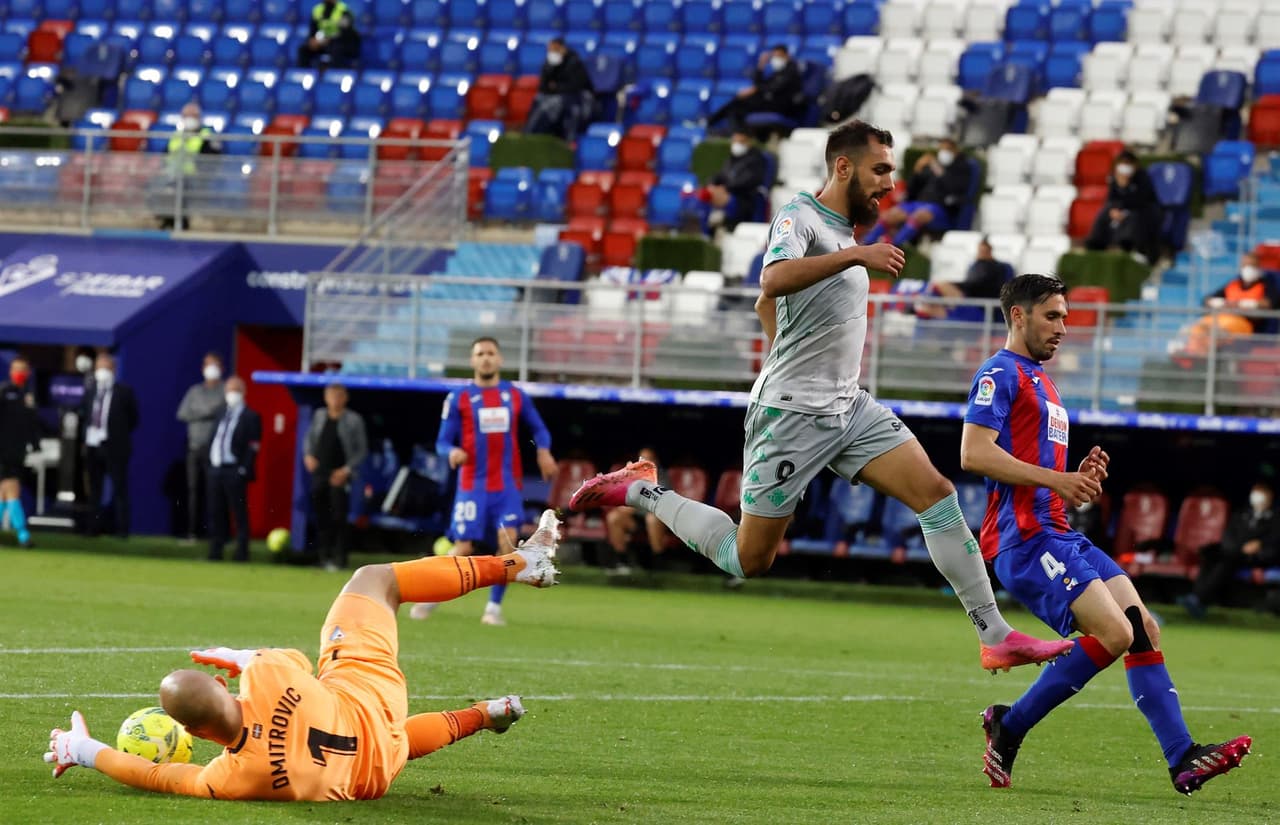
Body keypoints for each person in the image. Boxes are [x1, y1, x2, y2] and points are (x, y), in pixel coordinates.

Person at [568, 120, 1073, 673]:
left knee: (937, 494)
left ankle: (993, 634)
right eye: (880, 170)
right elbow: (772, 281)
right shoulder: (801, 217)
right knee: (748, 558)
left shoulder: (847, 231)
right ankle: (645, 492)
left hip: (848, 406)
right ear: (843, 167)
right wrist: (854, 260)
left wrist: (806, 339)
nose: (888, 184)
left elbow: (776, 316)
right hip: (789, 415)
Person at [959, 273, 1251, 794]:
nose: (1063, 327)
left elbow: (1035, 462)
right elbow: (973, 453)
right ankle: (1011, 724)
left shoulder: (1043, 382)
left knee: (1143, 628)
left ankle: (1182, 757)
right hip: (1023, 540)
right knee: (1114, 634)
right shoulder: (998, 373)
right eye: (1053, 316)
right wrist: (1057, 479)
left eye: (1067, 317)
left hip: (1059, 533)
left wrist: (1080, 475)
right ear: (1018, 316)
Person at [42, 511, 563, 800]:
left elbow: (153, 776)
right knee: (373, 580)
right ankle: (519, 564)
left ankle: (483, 715)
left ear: (196, 736)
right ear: (222, 684)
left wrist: (80, 748)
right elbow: (288, 659)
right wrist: (246, 657)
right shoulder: (266, 677)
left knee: (390, 740)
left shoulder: (230, 779)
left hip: (372, 772)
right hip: (368, 688)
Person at [410, 337, 558, 626]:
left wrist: (543, 450)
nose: (486, 358)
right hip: (472, 487)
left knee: (508, 544)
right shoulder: (459, 398)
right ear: (472, 361)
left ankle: (493, 608)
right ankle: (432, 595)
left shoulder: (514, 395)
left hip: (506, 486)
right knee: (463, 547)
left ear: (500, 359)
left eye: (491, 353)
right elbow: (442, 441)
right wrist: (451, 451)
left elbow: (539, 429)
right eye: (480, 354)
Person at [1178, 480, 1278, 619]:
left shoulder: (1276, 517)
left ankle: (1198, 599)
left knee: (1228, 560)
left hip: (1260, 556)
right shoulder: (1241, 514)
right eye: (1256, 493)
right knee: (1209, 554)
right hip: (1235, 552)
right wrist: (1235, 548)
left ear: (1270, 497)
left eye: (1262, 494)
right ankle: (1199, 599)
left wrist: (1260, 543)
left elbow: (1275, 538)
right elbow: (1229, 534)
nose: (1258, 497)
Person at [304, 384, 368, 572]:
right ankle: (323, 556)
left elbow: (361, 450)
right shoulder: (319, 415)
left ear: (345, 398)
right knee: (321, 516)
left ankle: (340, 559)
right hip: (320, 473)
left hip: (341, 474)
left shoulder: (354, 420)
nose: (335, 400)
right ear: (326, 398)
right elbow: (309, 440)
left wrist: (346, 470)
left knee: (339, 516)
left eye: (339, 396)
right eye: (331, 396)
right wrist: (308, 456)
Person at [863, 139, 972, 246]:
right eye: (941, 149)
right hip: (919, 203)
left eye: (947, 149)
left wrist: (939, 171)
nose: (943, 153)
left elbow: (954, 189)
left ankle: (893, 245)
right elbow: (914, 187)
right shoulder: (933, 166)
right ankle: (866, 244)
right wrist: (918, 169)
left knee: (919, 216)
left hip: (941, 208)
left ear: (955, 151)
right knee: (891, 215)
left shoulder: (961, 168)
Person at [82, 353, 138, 538]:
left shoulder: (124, 392)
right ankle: (93, 528)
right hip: (93, 445)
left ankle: (122, 530)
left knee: (119, 489)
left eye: (106, 367)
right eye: (99, 367)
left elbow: (133, 419)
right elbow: (86, 415)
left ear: (113, 369)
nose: (102, 371)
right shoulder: (90, 391)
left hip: (115, 447)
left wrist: (116, 435)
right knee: (94, 490)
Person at [206, 377, 262, 563]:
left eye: (236, 389)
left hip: (235, 470)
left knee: (239, 512)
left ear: (243, 392)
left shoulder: (251, 416)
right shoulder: (220, 412)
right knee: (216, 511)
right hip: (216, 469)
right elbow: (214, 437)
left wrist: (243, 469)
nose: (232, 393)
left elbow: (253, 446)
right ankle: (216, 551)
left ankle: (242, 552)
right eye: (229, 389)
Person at [176, 353, 226, 542]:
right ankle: (193, 531)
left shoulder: (224, 390)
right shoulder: (195, 391)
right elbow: (182, 413)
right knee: (193, 489)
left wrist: (202, 412)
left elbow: (222, 411)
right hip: (194, 447)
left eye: (214, 364)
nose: (211, 368)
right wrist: (206, 412)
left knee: (215, 491)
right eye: (208, 364)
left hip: (216, 450)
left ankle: (216, 533)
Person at [604, 447, 673, 574]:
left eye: (649, 459)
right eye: (642, 459)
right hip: (636, 520)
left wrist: (636, 509)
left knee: (651, 518)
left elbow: (659, 502)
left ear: (655, 461)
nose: (645, 462)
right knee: (614, 517)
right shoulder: (634, 476)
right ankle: (622, 563)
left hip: (657, 517)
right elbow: (624, 497)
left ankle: (658, 565)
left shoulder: (662, 477)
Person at [1084, 150, 1161, 264]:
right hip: (1120, 210)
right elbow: (1111, 198)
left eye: (1128, 164)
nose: (1125, 167)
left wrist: (1125, 189)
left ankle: (1130, 249)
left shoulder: (1142, 178)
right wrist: (1114, 209)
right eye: (1122, 164)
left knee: (1135, 217)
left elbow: (1142, 200)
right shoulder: (1115, 178)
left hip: (1142, 211)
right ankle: (1095, 244)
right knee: (1104, 212)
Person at [685, 130, 768, 233]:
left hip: (745, 199)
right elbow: (720, 175)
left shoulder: (757, 159)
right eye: (735, 141)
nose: (736, 145)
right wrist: (711, 184)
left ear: (748, 142)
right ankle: (706, 229)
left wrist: (726, 188)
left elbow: (749, 181)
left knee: (717, 195)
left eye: (740, 142)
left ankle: (720, 224)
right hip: (727, 192)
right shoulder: (732, 159)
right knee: (705, 194)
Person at [708, 44, 805, 132]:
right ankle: (727, 130)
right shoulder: (778, 72)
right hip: (768, 101)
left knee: (737, 106)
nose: (775, 59)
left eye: (779, 56)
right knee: (736, 103)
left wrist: (755, 89)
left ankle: (728, 130)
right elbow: (760, 83)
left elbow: (774, 88)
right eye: (774, 56)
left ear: (787, 55)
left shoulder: (792, 70)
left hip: (782, 105)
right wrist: (761, 65)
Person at [159, 103, 222, 231]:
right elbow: (165, 155)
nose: (189, 119)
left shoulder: (207, 135)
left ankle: (180, 223)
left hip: (197, 178)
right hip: (173, 176)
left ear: (199, 117)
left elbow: (212, 159)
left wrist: (199, 172)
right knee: (159, 186)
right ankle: (168, 221)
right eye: (186, 116)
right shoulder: (177, 135)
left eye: (192, 116)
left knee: (180, 190)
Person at [918, 237, 1011, 320]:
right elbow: (971, 282)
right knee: (929, 303)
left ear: (990, 250)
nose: (981, 252)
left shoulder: (999, 267)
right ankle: (925, 306)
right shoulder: (975, 266)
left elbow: (980, 284)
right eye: (980, 250)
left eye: (983, 250)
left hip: (980, 306)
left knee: (941, 286)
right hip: (969, 299)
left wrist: (957, 286)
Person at [0, 356, 40, 548]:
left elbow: (32, 424)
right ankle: (23, 535)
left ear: (28, 372)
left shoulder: (28, 396)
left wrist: (35, 444)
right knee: (11, 489)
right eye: (16, 369)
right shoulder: (4, 391)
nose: (19, 373)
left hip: (17, 450)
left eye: (23, 369)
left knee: (4, 492)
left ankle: (22, 535)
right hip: (2, 449)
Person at [524, 37, 594, 143]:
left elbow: (575, 86)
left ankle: (539, 136)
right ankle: (530, 135)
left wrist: (556, 87)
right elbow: (543, 87)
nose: (552, 53)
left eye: (555, 50)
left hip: (575, 98)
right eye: (550, 50)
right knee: (538, 99)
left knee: (553, 103)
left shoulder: (574, 62)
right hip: (554, 96)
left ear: (563, 49)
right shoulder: (548, 64)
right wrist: (551, 73)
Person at [1202, 252, 1280, 334]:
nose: (1248, 268)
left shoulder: (1268, 284)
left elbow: (1268, 303)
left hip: (1245, 325)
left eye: (1252, 265)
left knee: (1220, 332)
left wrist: (1241, 304)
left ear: (1259, 266)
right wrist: (1222, 303)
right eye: (1245, 265)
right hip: (1223, 319)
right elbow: (1208, 299)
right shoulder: (1234, 283)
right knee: (1201, 328)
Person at [297, 0, 361, 69]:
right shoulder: (317, 10)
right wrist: (313, 40)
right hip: (323, 43)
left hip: (342, 43)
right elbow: (313, 30)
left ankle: (335, 75)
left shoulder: (344, 11)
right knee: (304, 49)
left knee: (336, 49)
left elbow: (346, 34)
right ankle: (304, 74)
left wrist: (328, 40)